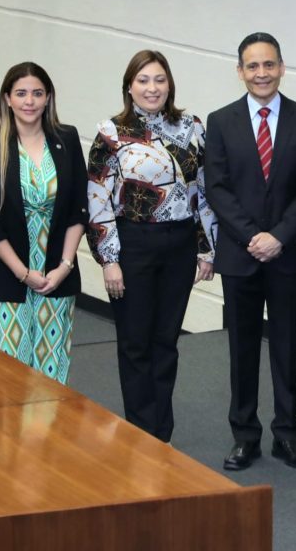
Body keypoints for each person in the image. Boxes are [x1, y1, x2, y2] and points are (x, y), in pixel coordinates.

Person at [204, 32, 296, 470]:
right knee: (242, 348)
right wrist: (253, 235)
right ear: (240, 71)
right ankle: (245, 436)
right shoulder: (220, 121)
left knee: (288, 347)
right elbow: (217, 187)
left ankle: (288, 435)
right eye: (252, 66)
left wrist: (279, 236)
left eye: (268, 64)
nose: (261, 73)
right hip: (239, 254)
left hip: (289, 254)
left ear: (282, 67)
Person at [86, 50, 216, 443]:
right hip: (133, 244)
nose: (152, 87)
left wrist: (206, 249)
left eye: (159, 79)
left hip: (179, 244)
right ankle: (140, 434)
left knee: (166, 342)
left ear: (169, 85)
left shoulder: (192, 127)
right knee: (135, 342)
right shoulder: (111, 133)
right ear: (129, 86)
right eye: (143, 80)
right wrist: (109, 260)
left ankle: (162, 434)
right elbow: (97, 200)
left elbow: (204, 193)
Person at [0, 62, 87, 385]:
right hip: (9, 279)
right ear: (7, 98)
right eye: (21, 93)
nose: (29, 101)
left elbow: (80, 210)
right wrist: (23, 273)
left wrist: (64, 267)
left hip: (56, 278)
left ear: (48, 97)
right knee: (9, 380)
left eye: (37, 93)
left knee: (51, 381)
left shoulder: (67, 138)